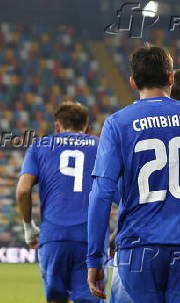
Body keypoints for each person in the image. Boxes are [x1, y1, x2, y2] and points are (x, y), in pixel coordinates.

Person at [87, 45, 180, 303]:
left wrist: (95, 257)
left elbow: (101, 194)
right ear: (171, 77)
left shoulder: (118, 123)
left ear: (132, 81)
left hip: (138, 249)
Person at [17, 101, 105, 303]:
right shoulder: (101, 147)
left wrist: (28, 226)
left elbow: (23, 190)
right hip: (90, 238)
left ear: (57, 126)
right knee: (90, 298)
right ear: (87, 127)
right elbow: (123, 193)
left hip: (54, 236)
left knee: (56, 299)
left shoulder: (40, 146)